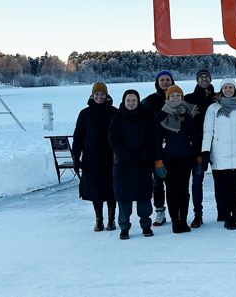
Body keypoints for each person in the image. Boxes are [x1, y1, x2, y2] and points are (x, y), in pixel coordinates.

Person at [202, 78, 236, 230]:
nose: (227, 90)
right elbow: (208, 132)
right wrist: (205, 151)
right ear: (221, 90)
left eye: (230, 87)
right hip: (220, 155)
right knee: (222, 188)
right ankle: (226, 216)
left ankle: (235, 216)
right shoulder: (213, 108)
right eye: (225, 87)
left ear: (234, 89)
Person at [72, 82, 118, 232]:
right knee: (95, 190)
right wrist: (75, 156)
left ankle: (111, 220)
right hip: (92, 158)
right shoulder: (85, 113)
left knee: (111, 188)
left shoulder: (114, 112)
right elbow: (78, 136)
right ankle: (99, 219)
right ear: (92, 95)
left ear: (107, 95)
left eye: (102, 94)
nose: (99, 97)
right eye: (97, 94)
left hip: (111, 157)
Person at [153, 85, 199, 234]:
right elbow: (156, 141)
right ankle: (175, 221)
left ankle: (183, 220)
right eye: (172, 96)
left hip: (186, 158)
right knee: (172, 191)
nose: (175, 98)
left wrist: (198, 156)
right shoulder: (161, 115)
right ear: (167, 98)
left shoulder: (188, 113)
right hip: (169, 160)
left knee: (184, 191)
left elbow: (195, 136)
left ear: (182, 97)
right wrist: (158, 161)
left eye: (178, 96)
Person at [109, 90, 154, 239]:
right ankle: (124, 227)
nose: (131, 103)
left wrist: (143, 155)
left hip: (142, 164)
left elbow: (150, 139)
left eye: (134, 100)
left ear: (138, 101)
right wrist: (125, 155)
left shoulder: (145, 117)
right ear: (124, 101)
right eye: (128, 100)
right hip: (123, 165)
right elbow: (114, 140)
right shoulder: (117, 118)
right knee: (124, 199)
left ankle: (146, 225)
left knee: (144, 199)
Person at [141, 69, 174, 226]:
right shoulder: (150, 101)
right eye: (162, 80)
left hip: (175, 148)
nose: (165, 82)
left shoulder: (177, 97)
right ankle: (160, 211)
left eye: (168, 79)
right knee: (158, 182)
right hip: (156, 148)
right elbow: (136, 116)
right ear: (157, 83)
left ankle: (176, 209)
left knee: (174, 182)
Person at [183, 68, 216, 228]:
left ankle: (224, 211)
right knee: (197, 182)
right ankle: (198, 214)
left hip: (216, 144)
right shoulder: (189, 98)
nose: (204, 79)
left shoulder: (218, 98)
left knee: (221, 179)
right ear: (197, 80)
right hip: (196, 146)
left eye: (206, 77)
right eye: (201, 77)